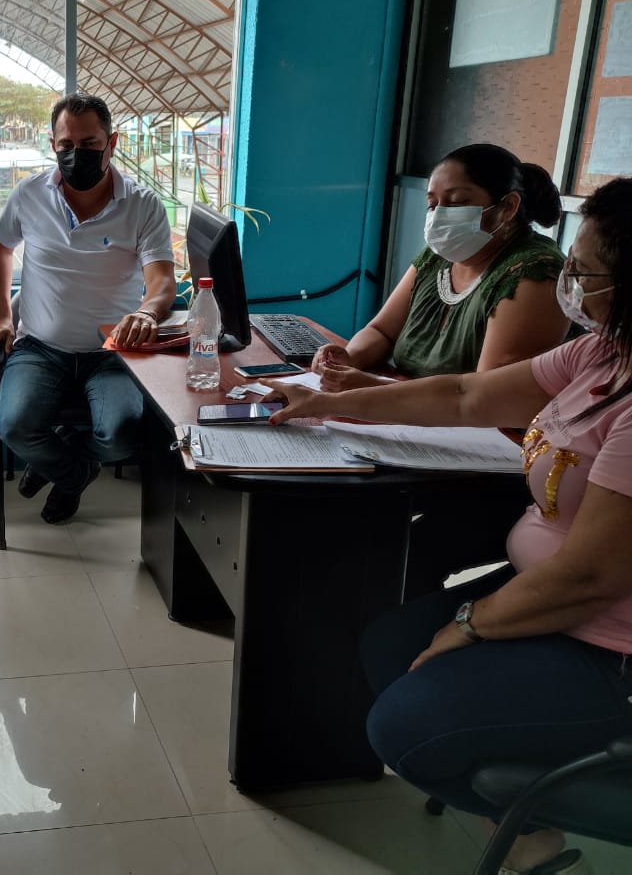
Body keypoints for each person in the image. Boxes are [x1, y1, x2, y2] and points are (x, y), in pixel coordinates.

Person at [268, 177, 632, 875]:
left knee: (401, 729)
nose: (571, 284)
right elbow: (467, 395)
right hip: (553, 595)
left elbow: (590, 577)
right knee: (387, 648)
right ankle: (517, 795)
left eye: (586, 273)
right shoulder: (601, 355)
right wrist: (326, 402)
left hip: (610, 648)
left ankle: (539, 815)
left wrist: (470, 625)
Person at [0, 92, 176, 524]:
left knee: (123, 436)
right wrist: (2, 316)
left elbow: (162, 281)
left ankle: (64, 462)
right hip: (39, 347)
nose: (76, 155)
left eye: (89, 144)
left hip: (112, 352)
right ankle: (77, 474)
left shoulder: (142, 204)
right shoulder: (30, 194)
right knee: (15, 426)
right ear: (52, 144)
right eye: (66, 145)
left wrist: (147, 312)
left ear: (112, 142)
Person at [312, 144, 569, 392]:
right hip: (403, 409)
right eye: (432, 204)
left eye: (456, 202)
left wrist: (372, 388)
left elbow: (485, 397)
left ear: (508, 206)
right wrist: (350, 358)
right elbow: (382, 331)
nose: (439, 216)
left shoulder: (534, 273)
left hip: (468, 420)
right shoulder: (438, 256)